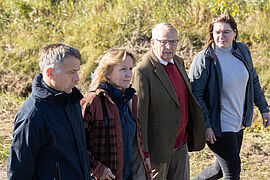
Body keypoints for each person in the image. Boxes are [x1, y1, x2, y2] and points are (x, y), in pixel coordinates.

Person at [189, 14, 270, 180]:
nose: (221, 36)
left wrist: (264, 108)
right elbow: (195, 96)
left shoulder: (242, 51)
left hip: (237, 122)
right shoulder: (205, 59)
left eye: (226, 32)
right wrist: (206, 126)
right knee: (232, 172)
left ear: (235, 32)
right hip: (218, 125)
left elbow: (253, 80)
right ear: (211, 34)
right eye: (217, 32)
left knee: (219, 169)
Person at [132, 23, 205, 180]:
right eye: (163, 41)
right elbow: (140, 116)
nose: (168, 47)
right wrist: (144, 153)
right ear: (153, 43)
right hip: (158, 150)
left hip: (180, 143)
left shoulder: (178, 62)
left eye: (173, 42)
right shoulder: (143, 71)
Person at [7, 43, 91, 180]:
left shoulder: (72, 100)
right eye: (71, 72)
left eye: (77, 71)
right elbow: (18, 172)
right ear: (50, 73)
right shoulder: (32, 116)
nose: (77, 78)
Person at [80, 49, 151, 180]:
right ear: (107, 72)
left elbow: (135, 142)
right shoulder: (92, 101)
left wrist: (144, 164)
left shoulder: (131, 99)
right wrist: (97, 169)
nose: (129, 74)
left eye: (130, 68)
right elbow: (76, 144)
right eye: (123, 69)